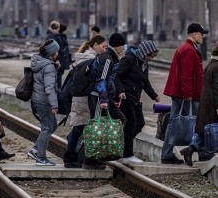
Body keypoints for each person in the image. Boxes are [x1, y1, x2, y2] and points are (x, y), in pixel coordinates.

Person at [160, 22, 208, 164]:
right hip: (185, 94)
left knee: (174, 122)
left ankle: (167, 154)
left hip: (181, 93)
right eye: (201, 34)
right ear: (194, 34)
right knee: (200, 121)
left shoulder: (187, 48)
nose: (203, 37)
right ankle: (202, 152)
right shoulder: (189, 50)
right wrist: (188, 95)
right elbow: (186, 75)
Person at [180, 42, 218, 165]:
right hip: (214, 105)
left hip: (207, 103)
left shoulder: (211, 64)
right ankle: (193, 150)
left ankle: (200, 152)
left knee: (206, 130)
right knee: (212, 130)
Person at [62, 35, 107, 168]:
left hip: (79, 97)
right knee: (80, 129)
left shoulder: (83, 58)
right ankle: (74, 158)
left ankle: (73, 157)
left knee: (79, 128)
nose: (104, 49)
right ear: (95, 45)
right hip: (85, 98)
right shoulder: (91, 60)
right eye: (103, 46)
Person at [114, 40, 160, 165]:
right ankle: (127, 154)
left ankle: (122, 146)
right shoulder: (129, 59)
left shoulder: (143, 63)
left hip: (135, 98)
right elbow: (117, 76)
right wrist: (120, 91)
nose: (150, 58)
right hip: (126, 97)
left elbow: (145, 81)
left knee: (140, 123)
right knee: (131, 123)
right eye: (150, 56)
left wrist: (154, 95)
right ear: (144, 52)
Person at [28, 39, 60, 166]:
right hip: (44, 101)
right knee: (47, 128)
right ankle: (41, 158)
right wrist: (54, 105)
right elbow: (49, 88)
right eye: (56, 51)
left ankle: (35, 150)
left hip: (37, 99)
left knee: (52, 125)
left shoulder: (39, 62)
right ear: (52, 53)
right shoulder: (49, 66)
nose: (58, 53)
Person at [46, 20, 69, 86]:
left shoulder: (54, 36)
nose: (58, 30)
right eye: (58, 28)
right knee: (57, 81)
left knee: (58, 80)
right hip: (56, 60)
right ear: (55, 28)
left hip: (57, 60)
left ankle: (58, 91)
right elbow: (55, 48)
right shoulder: (51, 36)